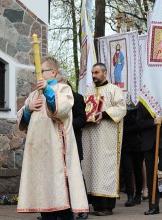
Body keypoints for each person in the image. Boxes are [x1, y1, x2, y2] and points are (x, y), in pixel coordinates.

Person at [17, 56, 88, 220]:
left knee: (60, 192)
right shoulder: (33, 94)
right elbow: (24, 121)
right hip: (38, 149)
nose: (38, 75)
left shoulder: (63, 90)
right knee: (44, 194)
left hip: (57, 148)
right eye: (36, 72)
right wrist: (28, 109)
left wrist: (48, 91)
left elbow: (61, 109)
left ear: (53, 72)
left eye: (41, 72)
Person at [81, 63, 127, 216]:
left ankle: (106, 207)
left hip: (107, 137)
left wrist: (105, 114)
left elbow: (122, 108)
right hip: (90, 136)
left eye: (97, 72)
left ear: (105, 73)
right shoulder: (89, 90)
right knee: (90, 167)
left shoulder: (114, 89)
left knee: (104, 168)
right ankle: (94, 204)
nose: (94, 75)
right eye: (93, 73)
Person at [56, 69, 88, 219]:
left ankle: (82, 209)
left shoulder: (76, 97)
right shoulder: (52, 98)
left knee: (75, 175)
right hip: (56, 145)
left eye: (56, 82)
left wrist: (64, 127)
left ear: (63, 81)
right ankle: (57, 209)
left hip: (73, 142)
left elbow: (82, 119)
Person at [120, 105, 144, 207]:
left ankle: (138, 194)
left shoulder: (139, 109)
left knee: (138, 170)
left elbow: (140, 126)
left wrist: (125, 129)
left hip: (137, 145)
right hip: (125, 145)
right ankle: (130, 195)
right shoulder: (121, 108)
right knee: (127, 170)